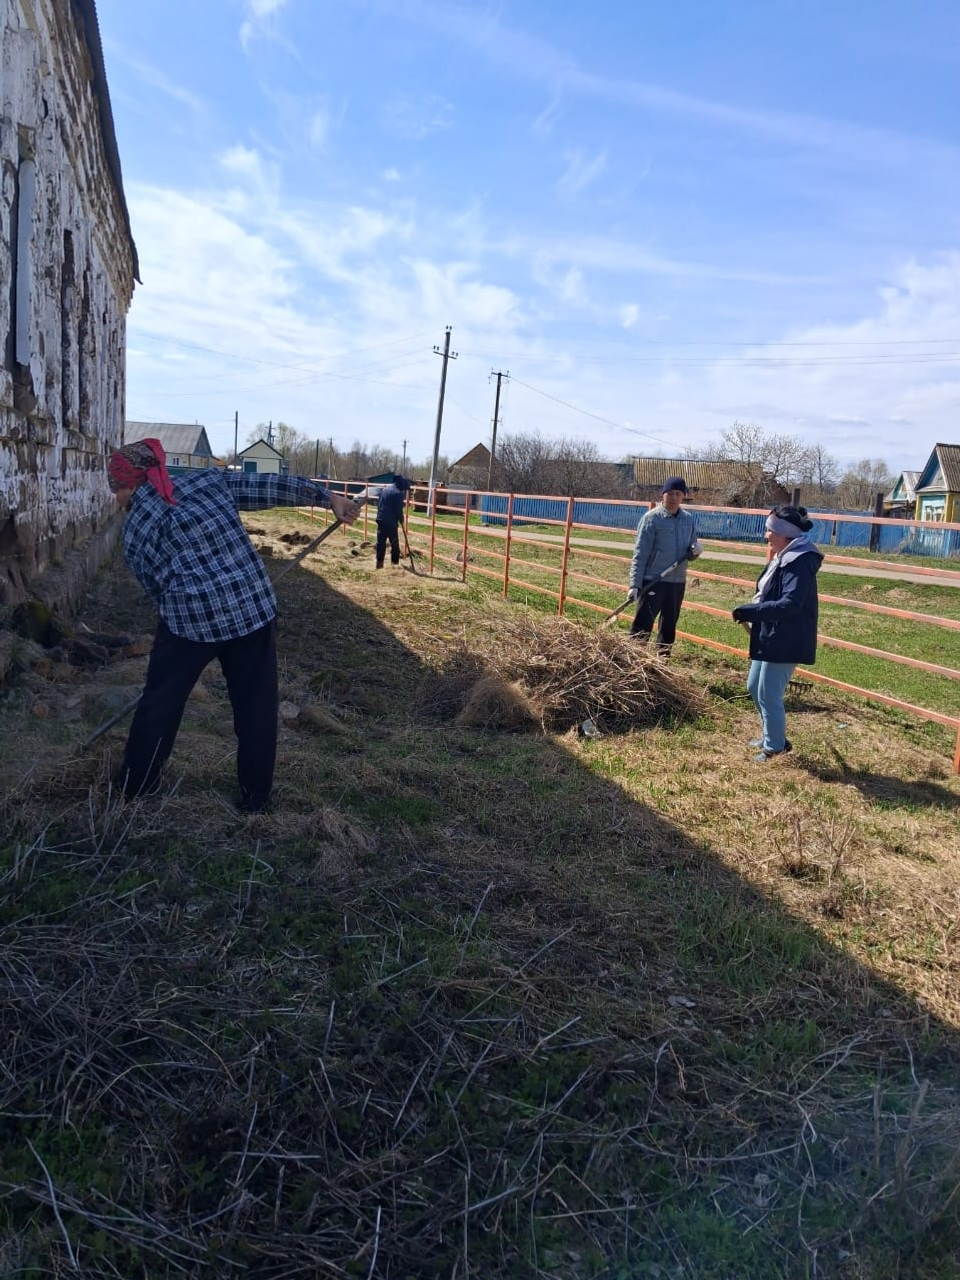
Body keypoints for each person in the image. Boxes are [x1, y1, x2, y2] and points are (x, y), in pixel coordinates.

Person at [107, 438, 361, 811]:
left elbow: (157, 589)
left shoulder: (134, 533)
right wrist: (328, 498)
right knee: (256, 708)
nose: (117, 499)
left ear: (129, 485)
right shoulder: (208, 481)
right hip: (252, 610)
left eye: (116, 491)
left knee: (159, 703)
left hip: (189, 623)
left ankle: (136, 786)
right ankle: (255, 799)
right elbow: (268, 485)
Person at [731, 505, 823, 762]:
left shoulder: (800, 561)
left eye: (769, 531)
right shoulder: (784, 555)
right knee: (754, 686)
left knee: (769, 692)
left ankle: (775, 748)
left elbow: (790, 604)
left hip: (788, 636)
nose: (766, 536)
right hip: (772, 632)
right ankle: (773, 735)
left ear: (785, 534)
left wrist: (752, 612)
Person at [627, 477, 702, 659]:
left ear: (683, 496)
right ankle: (634, 661)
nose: (674, 498)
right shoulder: (652, 519)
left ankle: (662, 664)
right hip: (654, 580)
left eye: (678, 494)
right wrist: (634, 584)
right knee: (643, 624)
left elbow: (691, 548)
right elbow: (640, 553)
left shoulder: (688, 520)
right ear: (663, 495)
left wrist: (695, 551)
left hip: (677, 582)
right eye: (670, 494)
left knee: (668, 627)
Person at [375, 474, 412, 568]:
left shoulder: (383, 490)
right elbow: (398, 510)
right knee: (395, 544)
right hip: (391, 522)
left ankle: (379, 564)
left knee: (381, 543)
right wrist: (401, 520)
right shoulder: (398, 494)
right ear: (401, 486)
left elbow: (379, 504)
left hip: (380, 519)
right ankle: (394, 564)